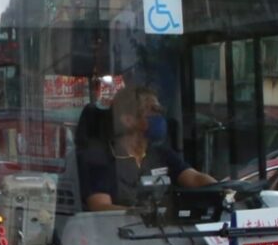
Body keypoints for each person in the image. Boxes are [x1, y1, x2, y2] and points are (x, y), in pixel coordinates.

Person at [82, 84, 215, 212]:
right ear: (128, 120)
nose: (160, 116)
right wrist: (140, 215)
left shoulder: (160, 153)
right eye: (153, 111)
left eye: (160, 110)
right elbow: (100, 206)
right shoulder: (102, 159)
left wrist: (222, 190)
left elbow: (194, 178)